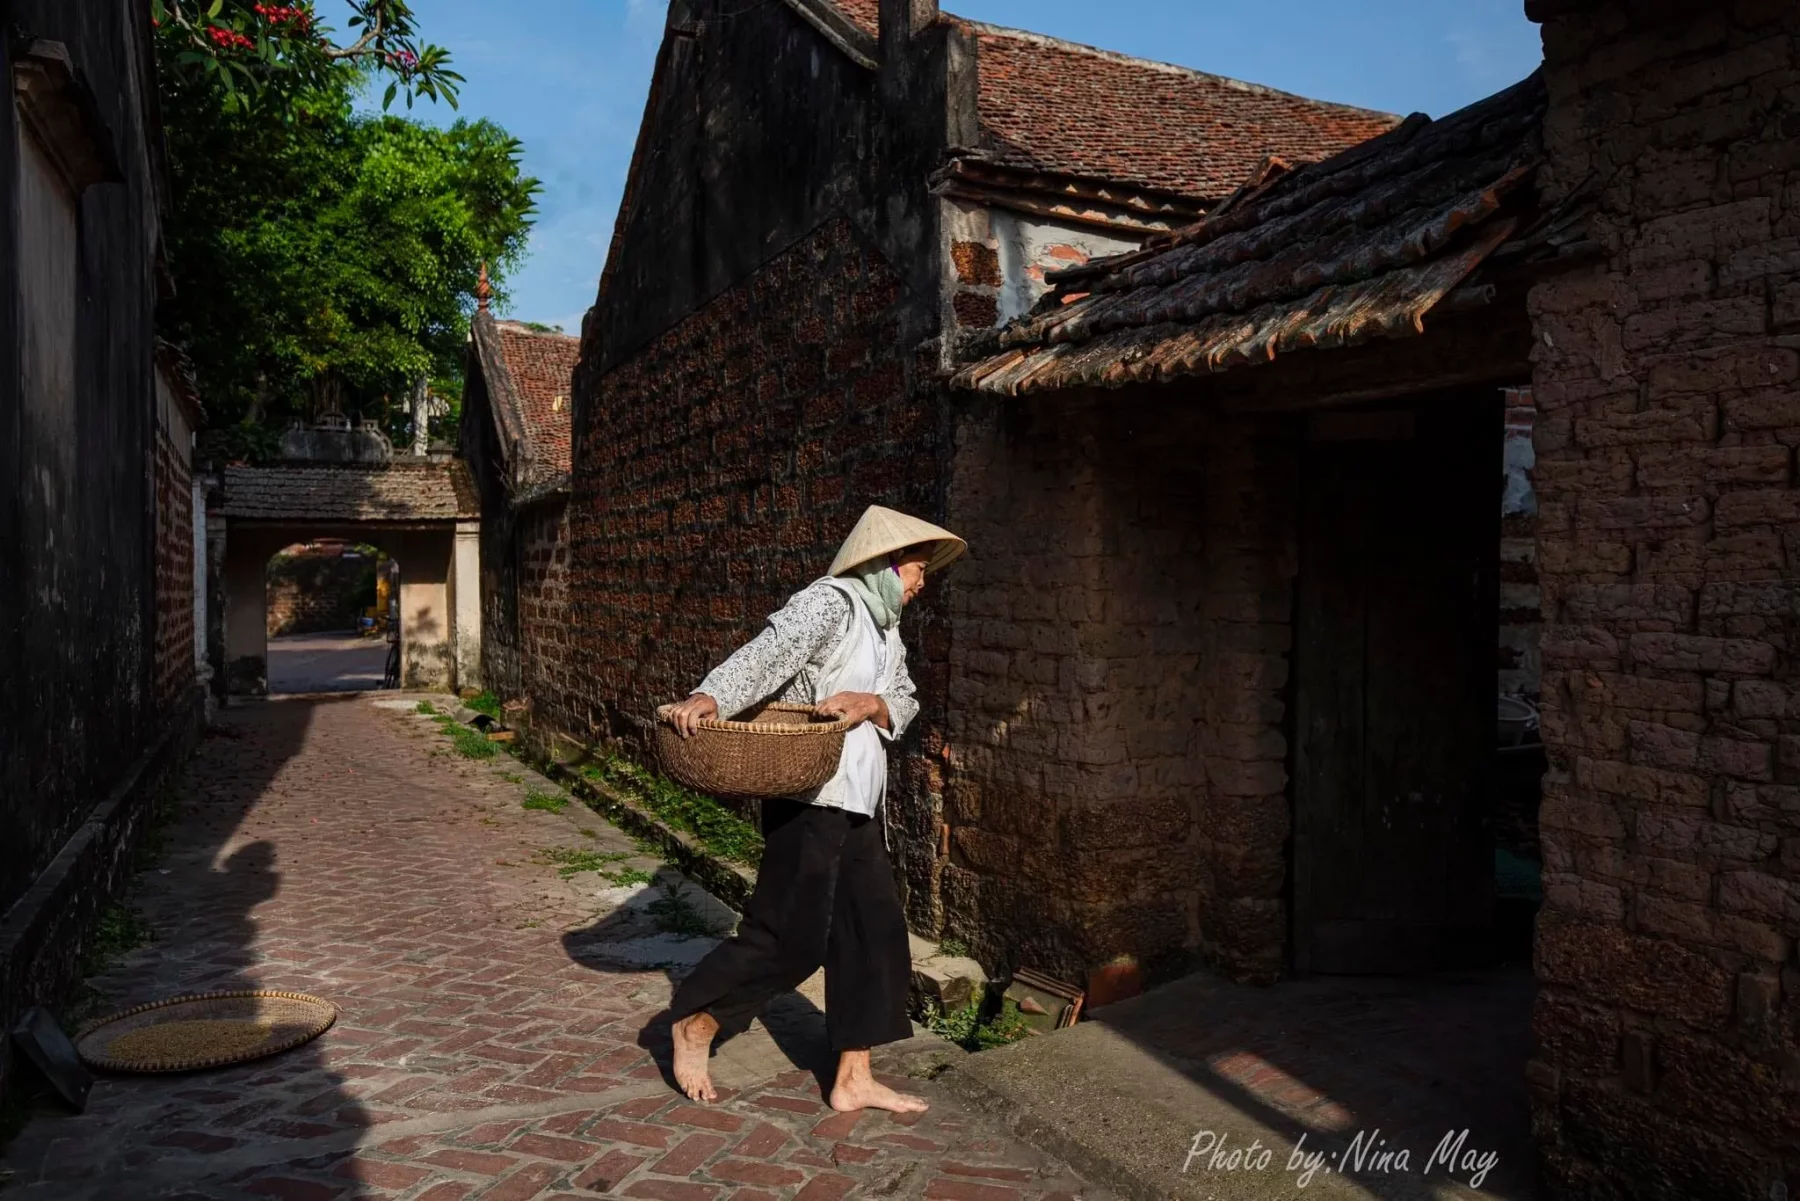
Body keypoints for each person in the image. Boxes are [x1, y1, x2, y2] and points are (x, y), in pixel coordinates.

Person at [662, 505, 966, 1113]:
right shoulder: (830, 602)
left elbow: (904, 700)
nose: (922, 582)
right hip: (810, 798)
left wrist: (870, 703)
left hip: (859, 802)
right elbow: (768, 653)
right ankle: (698, 1021)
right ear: (886, 564)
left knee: (874, 934)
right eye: (917, 568)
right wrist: (710, 694)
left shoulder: (886, 628)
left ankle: (853, 1077)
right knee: (790, 938)